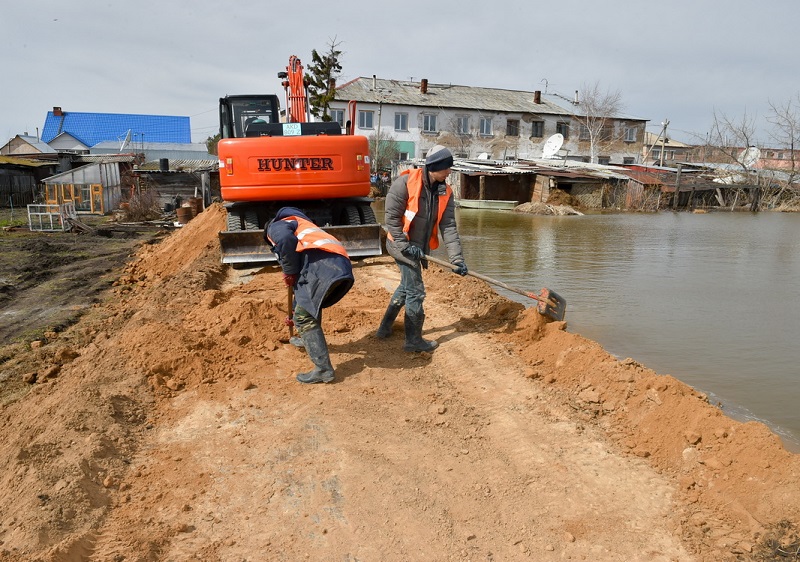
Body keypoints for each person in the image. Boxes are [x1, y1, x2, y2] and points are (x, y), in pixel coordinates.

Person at [379, 145, 468, 352]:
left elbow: (449, 226)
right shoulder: (404, 184)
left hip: (418, 246)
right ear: (434, 167)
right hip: (398, 243)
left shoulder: (445, 191)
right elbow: (391, 220)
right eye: (446, 168)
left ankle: (384, 328)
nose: (449, 172)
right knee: (416, 291)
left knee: (406, 287)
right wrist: (405, 246)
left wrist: (457, 259)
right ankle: (413, 341)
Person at [265, 207, 354, 383]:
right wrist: (295, 310)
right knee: (308, 308)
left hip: (323, 268)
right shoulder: (301, 224)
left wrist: (289, 271)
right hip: (338, 265)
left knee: (303, 318)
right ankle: (307, 341)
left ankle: (323, 370)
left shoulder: (275, 226)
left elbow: (284, 240)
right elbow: (304, 292)